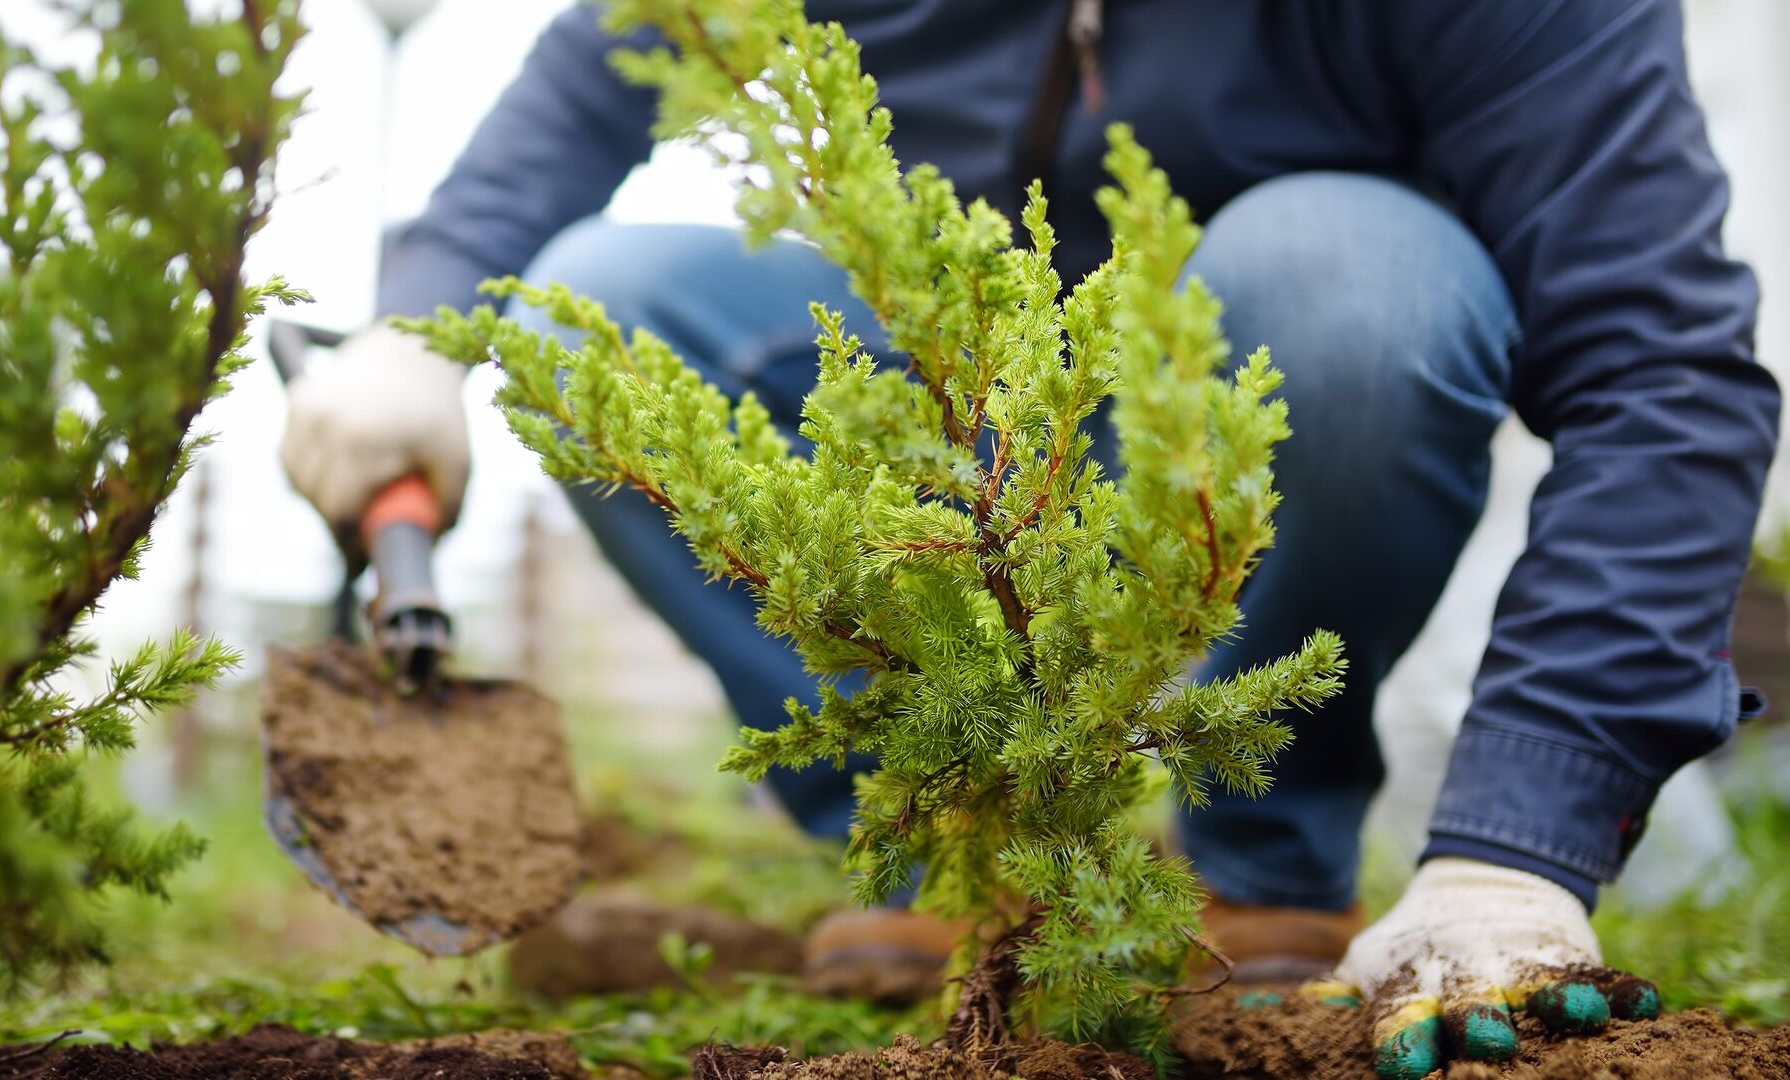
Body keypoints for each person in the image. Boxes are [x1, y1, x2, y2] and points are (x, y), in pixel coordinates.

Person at [280, 2, 1778, 1074]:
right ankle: (953, 844)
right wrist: (423, 317)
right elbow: (599, 65)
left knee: (1346, 282)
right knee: (578, 311)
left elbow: (1662, 369)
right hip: (972, 408)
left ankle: (1265, 845)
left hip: (1271, 403)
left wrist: (1517, 849)